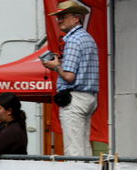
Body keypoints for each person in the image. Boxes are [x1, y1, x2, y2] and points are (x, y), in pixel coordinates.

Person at [41, 0, 99, 157]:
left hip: (75, 98)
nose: (59, 20)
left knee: (74, 150)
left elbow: (69, 76)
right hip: (89, 97)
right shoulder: (87, 38)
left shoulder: (73, 40)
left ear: (76, 18)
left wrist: (55, 66)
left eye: (62, 16)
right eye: (58, 17)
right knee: (84, 146)